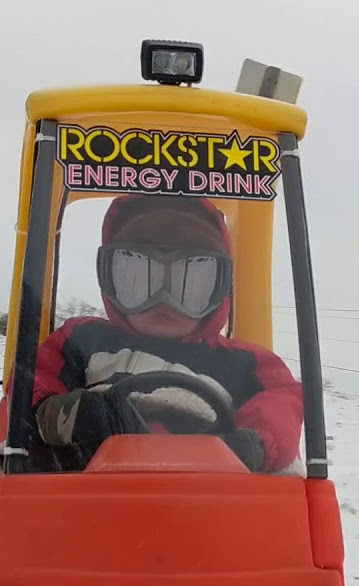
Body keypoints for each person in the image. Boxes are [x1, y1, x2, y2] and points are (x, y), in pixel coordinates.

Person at [29, 193, 304, 473]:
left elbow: (281, 406)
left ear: (220, 288)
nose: (163, 299)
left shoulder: (243, 363)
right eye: (138, 278)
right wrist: (74, 415)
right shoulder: (83, 340)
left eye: (190, 284)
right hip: (83, 498)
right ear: (110, 280)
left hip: (210, 502)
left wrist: (253, 444)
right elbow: (33, 385)